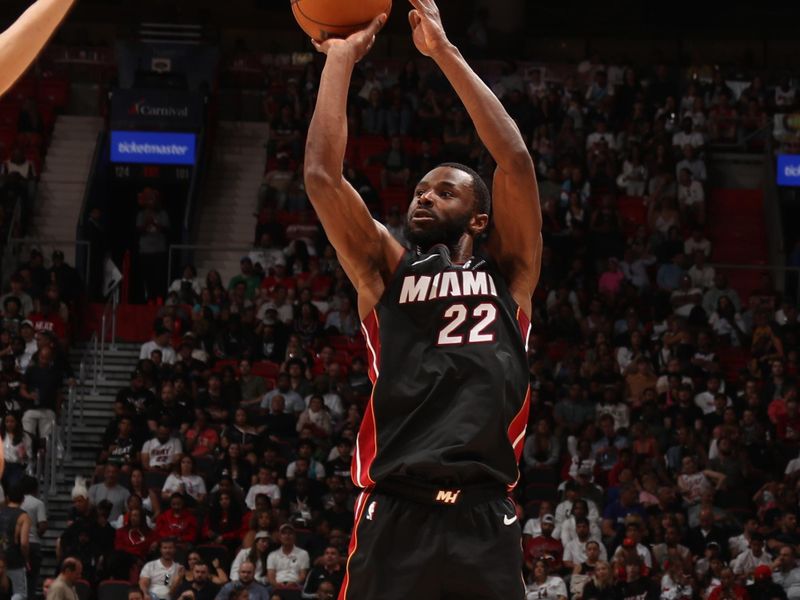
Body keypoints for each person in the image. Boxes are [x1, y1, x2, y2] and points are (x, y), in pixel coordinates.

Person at [304, 0, 542, 597]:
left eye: (445, 191)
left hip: (486, 514)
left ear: (481, 219)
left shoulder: (510, 273)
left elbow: (513, 160)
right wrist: (339, 59)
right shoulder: (386, 270)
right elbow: (322, 178)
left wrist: (444, 53)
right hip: (396, 509)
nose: (425, 198)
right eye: (419, 190)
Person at [0, 484, 30, 599]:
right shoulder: (23, 516)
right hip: (15, 560)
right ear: (23, 499)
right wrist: (26, 559)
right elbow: (24, 543)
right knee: (19, 593)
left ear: (7, 498)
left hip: (1, 557)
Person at [21, 475, 47, 597]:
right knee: (32, 579)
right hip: (34, 544)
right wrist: (38, 533)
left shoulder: (16, 502)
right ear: (35, 488)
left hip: (19, 543)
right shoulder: (38, 503)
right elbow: (42, 526)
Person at [266, 523, 309, 591]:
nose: (287, 535)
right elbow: (270, 577)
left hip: (296, 586)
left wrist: (294, 583)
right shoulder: (272, 555)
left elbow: (302, 575)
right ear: (280, 537)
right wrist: (277, 585)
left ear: (294, 536)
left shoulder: (303, 553)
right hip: (277, 585)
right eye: (284, 533)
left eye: (290, 533)